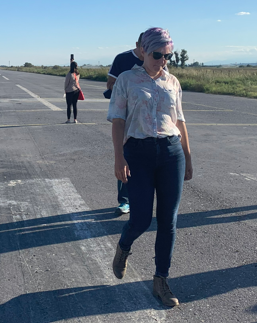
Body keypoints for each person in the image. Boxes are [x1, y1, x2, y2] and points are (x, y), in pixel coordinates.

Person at [107, 27, 193, 307]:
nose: (163, 60)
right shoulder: (126, 79)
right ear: (143, 51)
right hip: (139, 153)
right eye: (158, 54)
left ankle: (161, 280)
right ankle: (124, 247)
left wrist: (187, 156)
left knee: (169, 221)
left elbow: (179, 121)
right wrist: (119, 158)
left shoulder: (172, 82)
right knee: (141, 219)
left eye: (168, 55)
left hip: (170, 153)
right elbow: (118, 120)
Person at [104, 33, 145, 215]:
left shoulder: (158, 59)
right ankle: (125, 200)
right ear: (137, 44)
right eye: (145, 46)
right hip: (127, 117)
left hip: (147, 119)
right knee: (125, 156)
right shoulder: (123, 59)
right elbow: (110, 83)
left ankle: (142, 197)